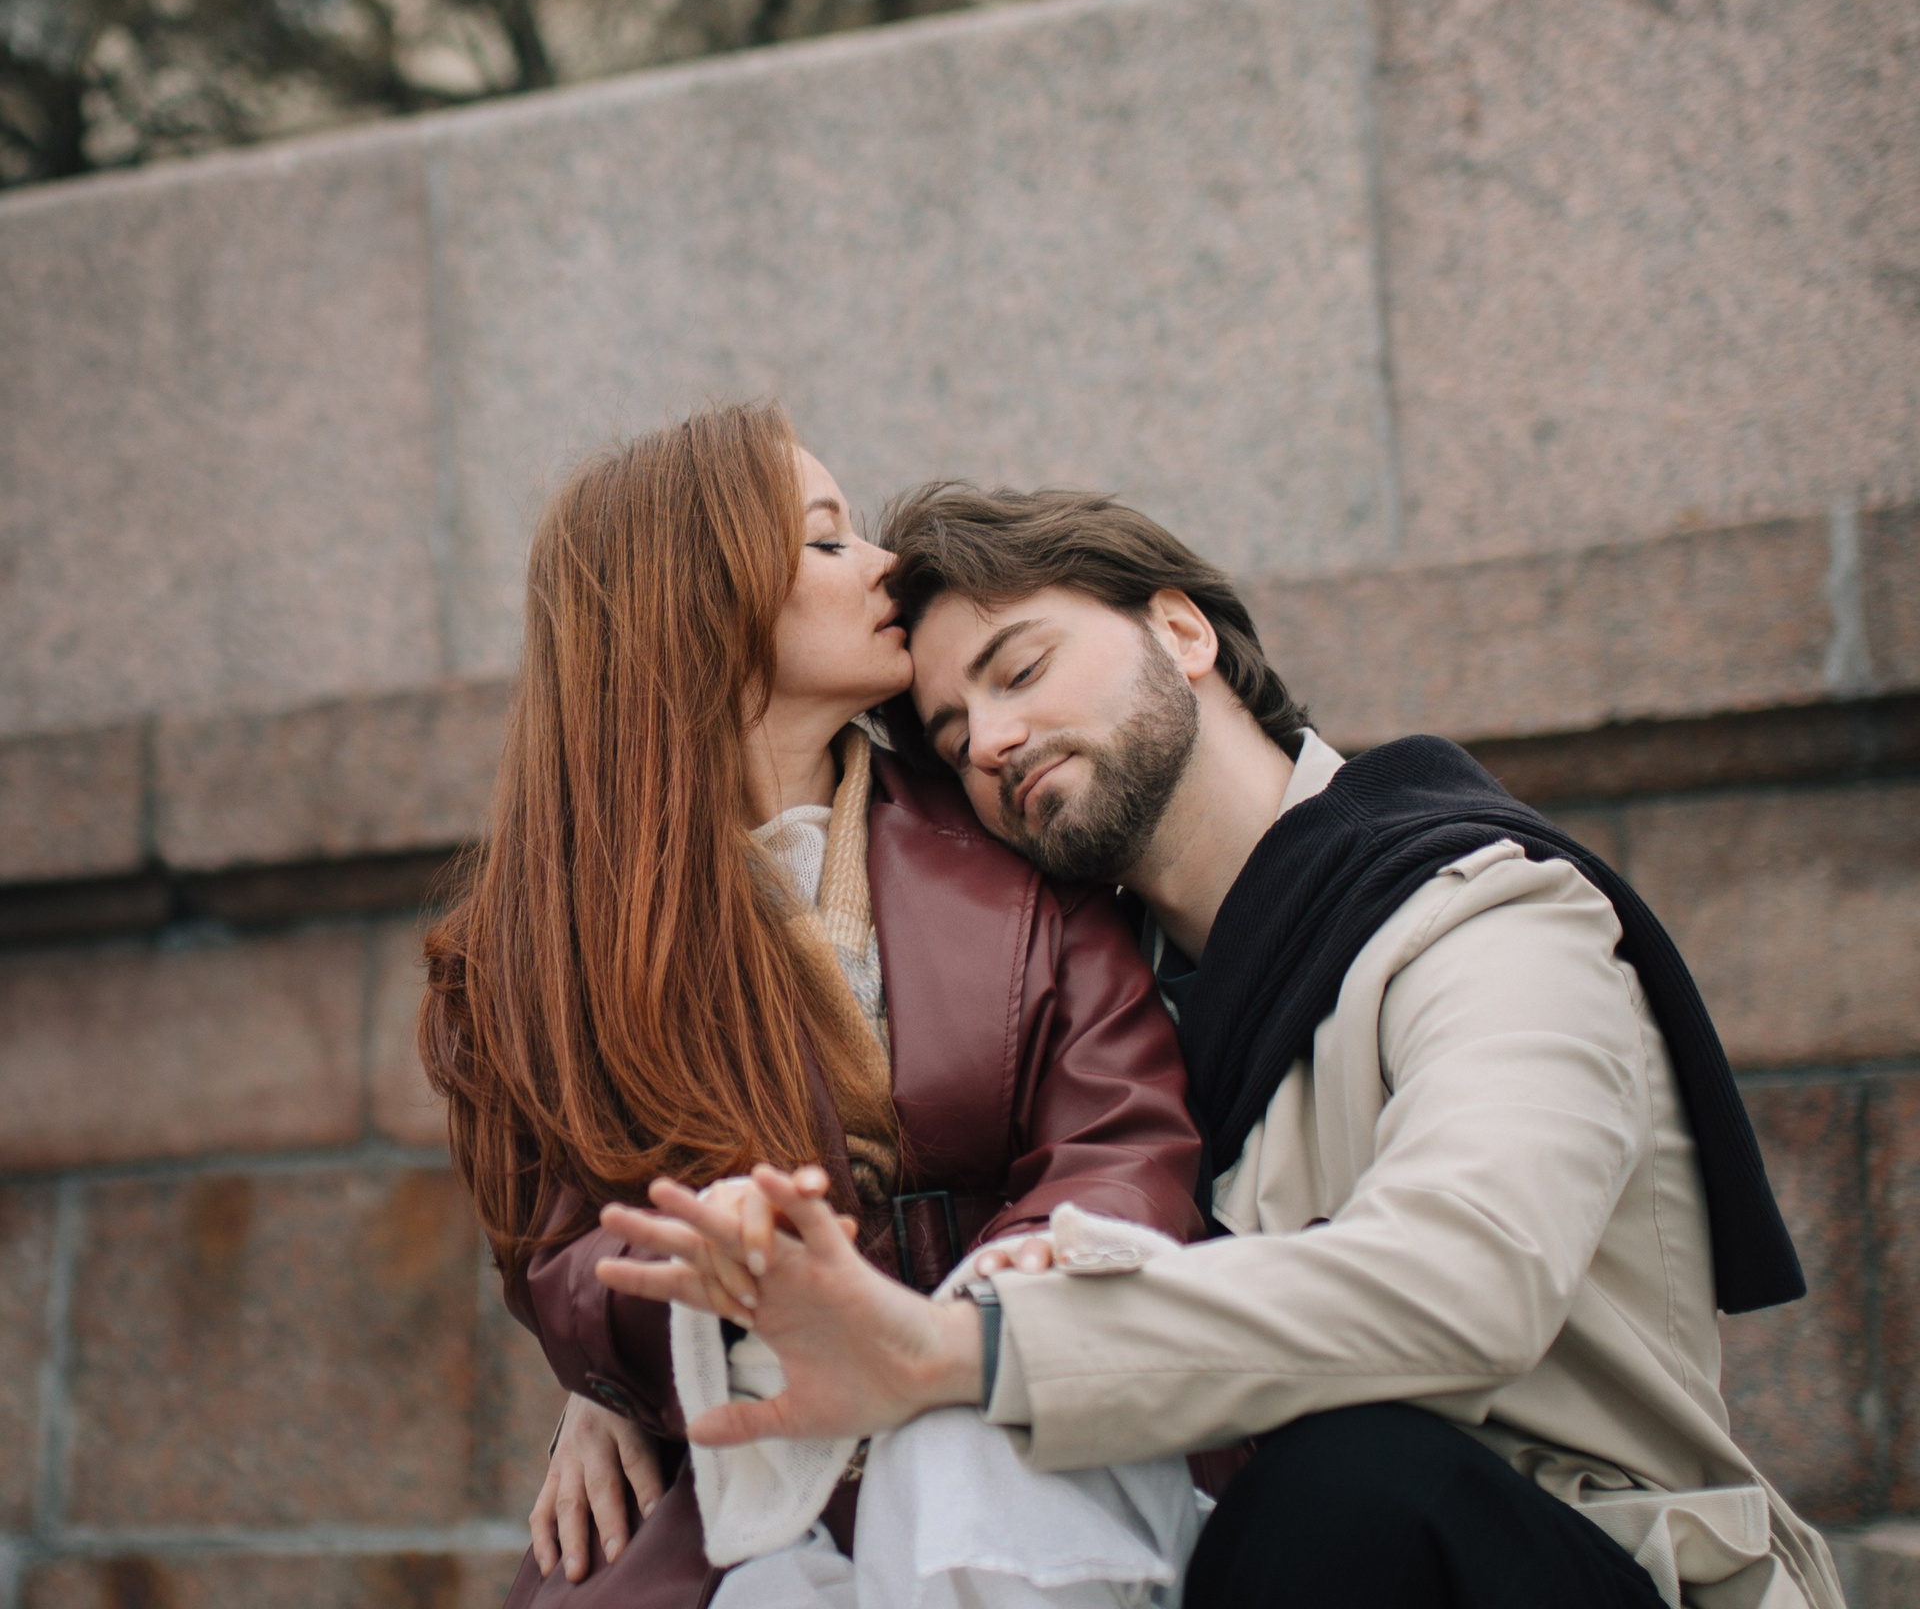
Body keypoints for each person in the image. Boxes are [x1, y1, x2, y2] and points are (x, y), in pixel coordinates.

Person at [598, 481, 1845, 1609]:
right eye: (953, 735)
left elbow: (1471, 1278)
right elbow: (905, 1204)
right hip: (1255, 1559)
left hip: (1590, 1558)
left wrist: (962, 1353)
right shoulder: (1100, 1008)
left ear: (1183, 632)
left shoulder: (1488, 918)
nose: (991, 740)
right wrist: (624, 1379)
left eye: (1020, 668)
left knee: (1349, 1481)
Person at [419, 413, 1208, 1609]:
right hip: (751, 1466)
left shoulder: (1004, 814)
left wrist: (969, 1324)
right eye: (829, 540)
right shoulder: (526, 947)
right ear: (704, 599)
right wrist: (703, 1270)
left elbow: (1122, 1132)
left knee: (969, 1494)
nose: (888, 565)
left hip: (1015, 1396)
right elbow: (555, 1254)